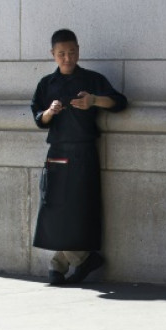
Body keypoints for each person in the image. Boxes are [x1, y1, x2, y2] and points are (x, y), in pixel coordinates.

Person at [30, 29, 127, 285]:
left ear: (78, 51)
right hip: (56, 152)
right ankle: (81, 259)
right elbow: (38, 118)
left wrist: (94, 101)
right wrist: (49, 112)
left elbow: (119, 102)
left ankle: (59, 264)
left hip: (83, 151)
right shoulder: (46, 84)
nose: (67, 58)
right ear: (53, 54)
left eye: (72, 52)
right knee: (54, 209)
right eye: (61, 53)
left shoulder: (92, 79)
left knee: (78, 209)